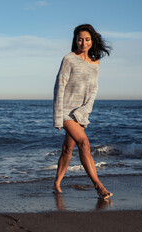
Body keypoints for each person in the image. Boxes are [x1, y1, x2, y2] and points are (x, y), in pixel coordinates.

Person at [53, 24, 113, 199]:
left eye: (87, 39)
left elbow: (94, 90)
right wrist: (58, 118)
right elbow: (59, 87)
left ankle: (56, 183)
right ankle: (99, 186)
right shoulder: (68, 59)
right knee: (84, 143)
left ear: (92, 41)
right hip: (65, 111)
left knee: (67, 148)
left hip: (81, 113)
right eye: (80, 39)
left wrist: (85, 110)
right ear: (75, 40)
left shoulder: (95, 63)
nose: (83, 42)